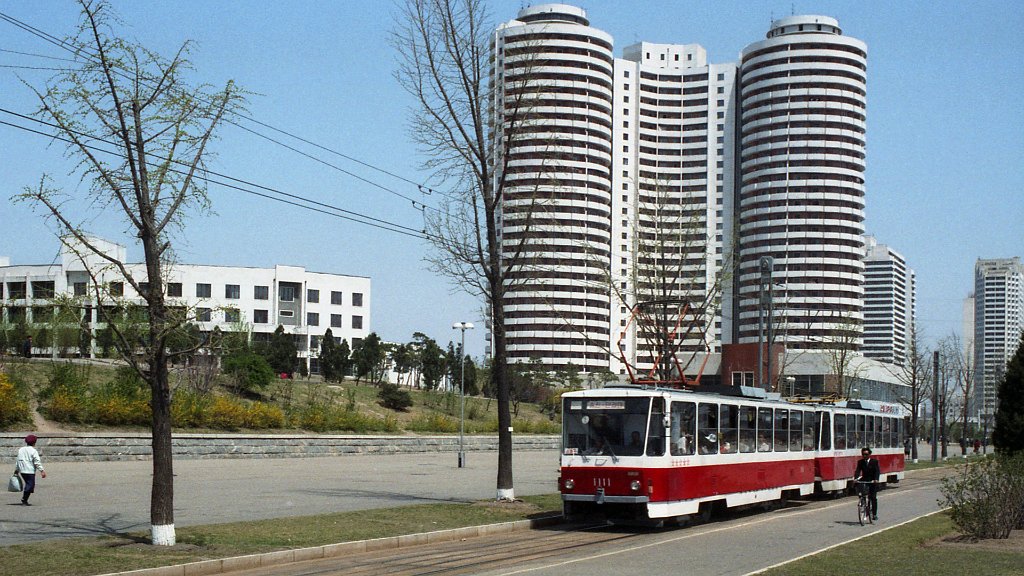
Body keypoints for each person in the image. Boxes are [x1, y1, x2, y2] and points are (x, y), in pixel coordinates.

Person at [15, 434, 46, 506]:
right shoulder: (33, 451)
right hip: (30, 470)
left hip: (22, 470)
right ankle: (24, 500)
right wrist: (42, 470)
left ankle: (25, 499)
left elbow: (18, 460)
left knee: (29, 484)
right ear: (34, 442)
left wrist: (17, 469)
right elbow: (36, 461)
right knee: (30, 485)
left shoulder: (21, 449)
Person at [854, 446, 880, 520]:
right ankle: (863, 503)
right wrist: (856, 478)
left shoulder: (874, 462)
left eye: (866, 454)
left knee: (873, 497)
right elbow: (857, 471)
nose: (864, 456)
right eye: (863, 454)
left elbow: (877, 471)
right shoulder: (860, 462)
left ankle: (874, 514)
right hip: (864, 479)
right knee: (861, 492)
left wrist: (876, 479)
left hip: (872, 481)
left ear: (869, 454)